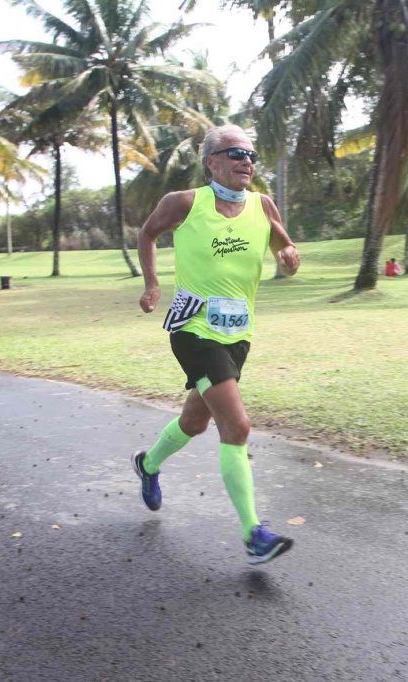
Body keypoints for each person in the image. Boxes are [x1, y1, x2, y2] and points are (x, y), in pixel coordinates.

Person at [135, 124, 300, 565]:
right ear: (211, 161)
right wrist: (152, 284)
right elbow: (148, 233)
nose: (246, 161)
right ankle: (253, 534)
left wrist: (289, 257)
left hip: (237, 334)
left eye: (251, 155)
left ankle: (148, 465)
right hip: (193, 329)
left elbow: (287, 253)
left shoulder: (263, 206)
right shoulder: (185, 202)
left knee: (194, 422)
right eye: (235, 153)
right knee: (237, 425)